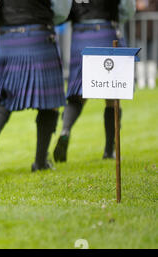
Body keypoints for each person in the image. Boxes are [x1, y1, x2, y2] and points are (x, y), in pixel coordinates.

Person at [0, 0, 72, 175]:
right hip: (40, 35)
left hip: (8, 38)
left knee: (2, 96)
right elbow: (62, 9)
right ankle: (40, 161)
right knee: (48, 101)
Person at [53, 0, 136, 163]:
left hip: (80, 36)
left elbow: (63, 9)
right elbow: (128, 7)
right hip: (107, 32)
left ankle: (65, 131)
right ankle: (109, 150)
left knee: (77, 93)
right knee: (113, 93)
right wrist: (121, 18)